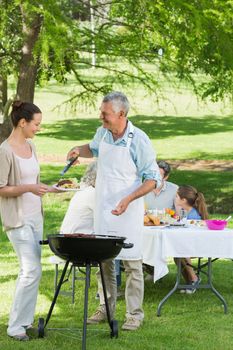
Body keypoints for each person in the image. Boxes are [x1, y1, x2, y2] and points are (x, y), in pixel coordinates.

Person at [67, 91, 161, 331]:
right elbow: (93, 147)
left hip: (128, 210)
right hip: (104, 208)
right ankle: (105, 307)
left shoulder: (139, 139)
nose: (101, 117)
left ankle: (134, 314)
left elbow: (152, 180)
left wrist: (129, 199)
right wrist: (78, 149)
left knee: (132, 264)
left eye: (105, 114)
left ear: (121, 114)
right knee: (104, 262)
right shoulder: (103, 133)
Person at [0, 101, 57, 341]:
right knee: (31, 270)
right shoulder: (4, 151)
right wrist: (30, 188)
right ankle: (15, 327)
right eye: (36, 124)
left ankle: (24, 322)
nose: (38, 128)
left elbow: (34, 181)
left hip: (36, 216)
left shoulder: (32, 146)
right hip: (18, 219)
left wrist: (49, 189)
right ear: (22, 123)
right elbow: (1, 188)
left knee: (33, 271)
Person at [144, 160, 178, 280]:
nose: (154, 179)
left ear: (166, 177)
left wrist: (168, 218)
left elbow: (178, 215)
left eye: (158, 176)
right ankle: (149, 268)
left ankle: (154, 269)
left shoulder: (174, 189)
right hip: (145, 228)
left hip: (166, 230)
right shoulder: (141, 187)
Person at [175, 185, 208, 294]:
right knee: (177, 253)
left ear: (183, 200)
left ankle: (194, 279)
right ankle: (190, 281)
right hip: (189, 243)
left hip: (197, 245)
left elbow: (193, 236)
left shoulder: (194, 216)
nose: (174, 198)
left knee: (180, 252)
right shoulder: (186, 211)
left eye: (176, 197)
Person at [60, 161, 97, 234]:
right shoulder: (92, 193)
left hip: (69, 237)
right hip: (76, 239)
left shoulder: (84, 189)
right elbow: (108, 216)